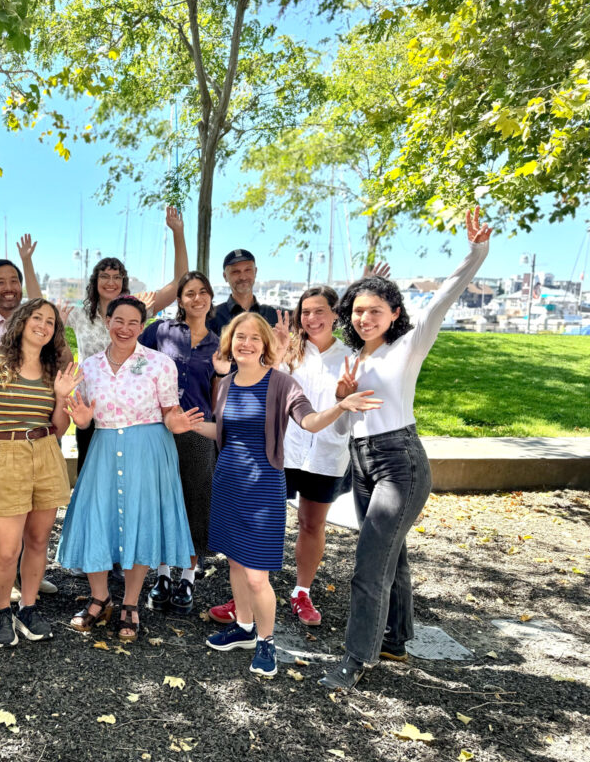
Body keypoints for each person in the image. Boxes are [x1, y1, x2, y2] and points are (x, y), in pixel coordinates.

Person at [319, 208, 492, 690]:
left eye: (376, 310)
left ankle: (357, 659)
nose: (365, 317)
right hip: (363, 461)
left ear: (395, 313)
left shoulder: (410, 344)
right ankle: (395, 638)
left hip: (400, 463)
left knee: (369, 565)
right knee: (392, 556)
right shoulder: (354, 358)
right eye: (358, 311)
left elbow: (445, 296)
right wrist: (340, 399)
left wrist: (476, 251)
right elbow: (349, 421)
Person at [196, 313, 380, 678]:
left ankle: (267, 641)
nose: (245, 343)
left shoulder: (281, 383)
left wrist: (341, 406)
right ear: (230, 342)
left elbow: (309, 421)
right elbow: (222, 431)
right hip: (228, 482)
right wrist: (186, 425)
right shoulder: (227, 383)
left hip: (262, 487)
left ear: (266, 345)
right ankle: (245, 628)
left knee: (256, 576)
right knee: (234, 563)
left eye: (254, 338)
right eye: (239, 337)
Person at [56, 296, 203, 643]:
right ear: (107, 321)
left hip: (148, 448)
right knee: (97, 519)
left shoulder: (160, 363)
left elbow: (169, 410)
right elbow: (85, 414)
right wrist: (83, 421)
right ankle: (99, 597)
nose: (125, 328)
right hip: (104, 446)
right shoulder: (88, 366)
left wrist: (176, 421)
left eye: (133, 322)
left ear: (143, 325)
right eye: (118, 320)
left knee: (141, 521)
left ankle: (131, 604)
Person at [26, 207, 189, 476]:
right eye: (105, 276)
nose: (111, 282)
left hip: (129, 408)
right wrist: (27, 262)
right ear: (95, 281)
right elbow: (37, 305)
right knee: (92, 474)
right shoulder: (79, 314)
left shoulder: (137, 309)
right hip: (90, 406)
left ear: (124, 282)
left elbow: (178, 283)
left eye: (117, 277)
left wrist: (177, 234)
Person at [0, 299, 80, 649]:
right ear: (22, 322)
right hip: (7, 453)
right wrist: (0, 452)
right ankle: (1, 609)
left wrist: (62, 397)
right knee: (6, 549)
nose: (43, 325)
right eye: (37, 318)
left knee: (38, 541)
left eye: (50, 321)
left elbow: (60, 427)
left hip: (46, 452)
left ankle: (28, 607)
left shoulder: (51, 370)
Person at [138, 271, 220, 615]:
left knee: (195, 503)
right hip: (159, 429)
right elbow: (133, 362)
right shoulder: (160, 331)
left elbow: (221, 392)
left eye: (203, 292)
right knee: (159, 502)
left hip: (199, 433)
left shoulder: (220, 343)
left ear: (211, 298)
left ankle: (187, 576)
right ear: (180, 300)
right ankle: (161, 575)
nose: (196, 298)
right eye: (189, 293)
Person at [208, 249, 280, 335]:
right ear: (225, 276)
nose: (243, 277)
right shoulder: (213, 317)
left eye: (247, 270)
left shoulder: (272, 314)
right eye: (235, 272)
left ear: (255, 272)